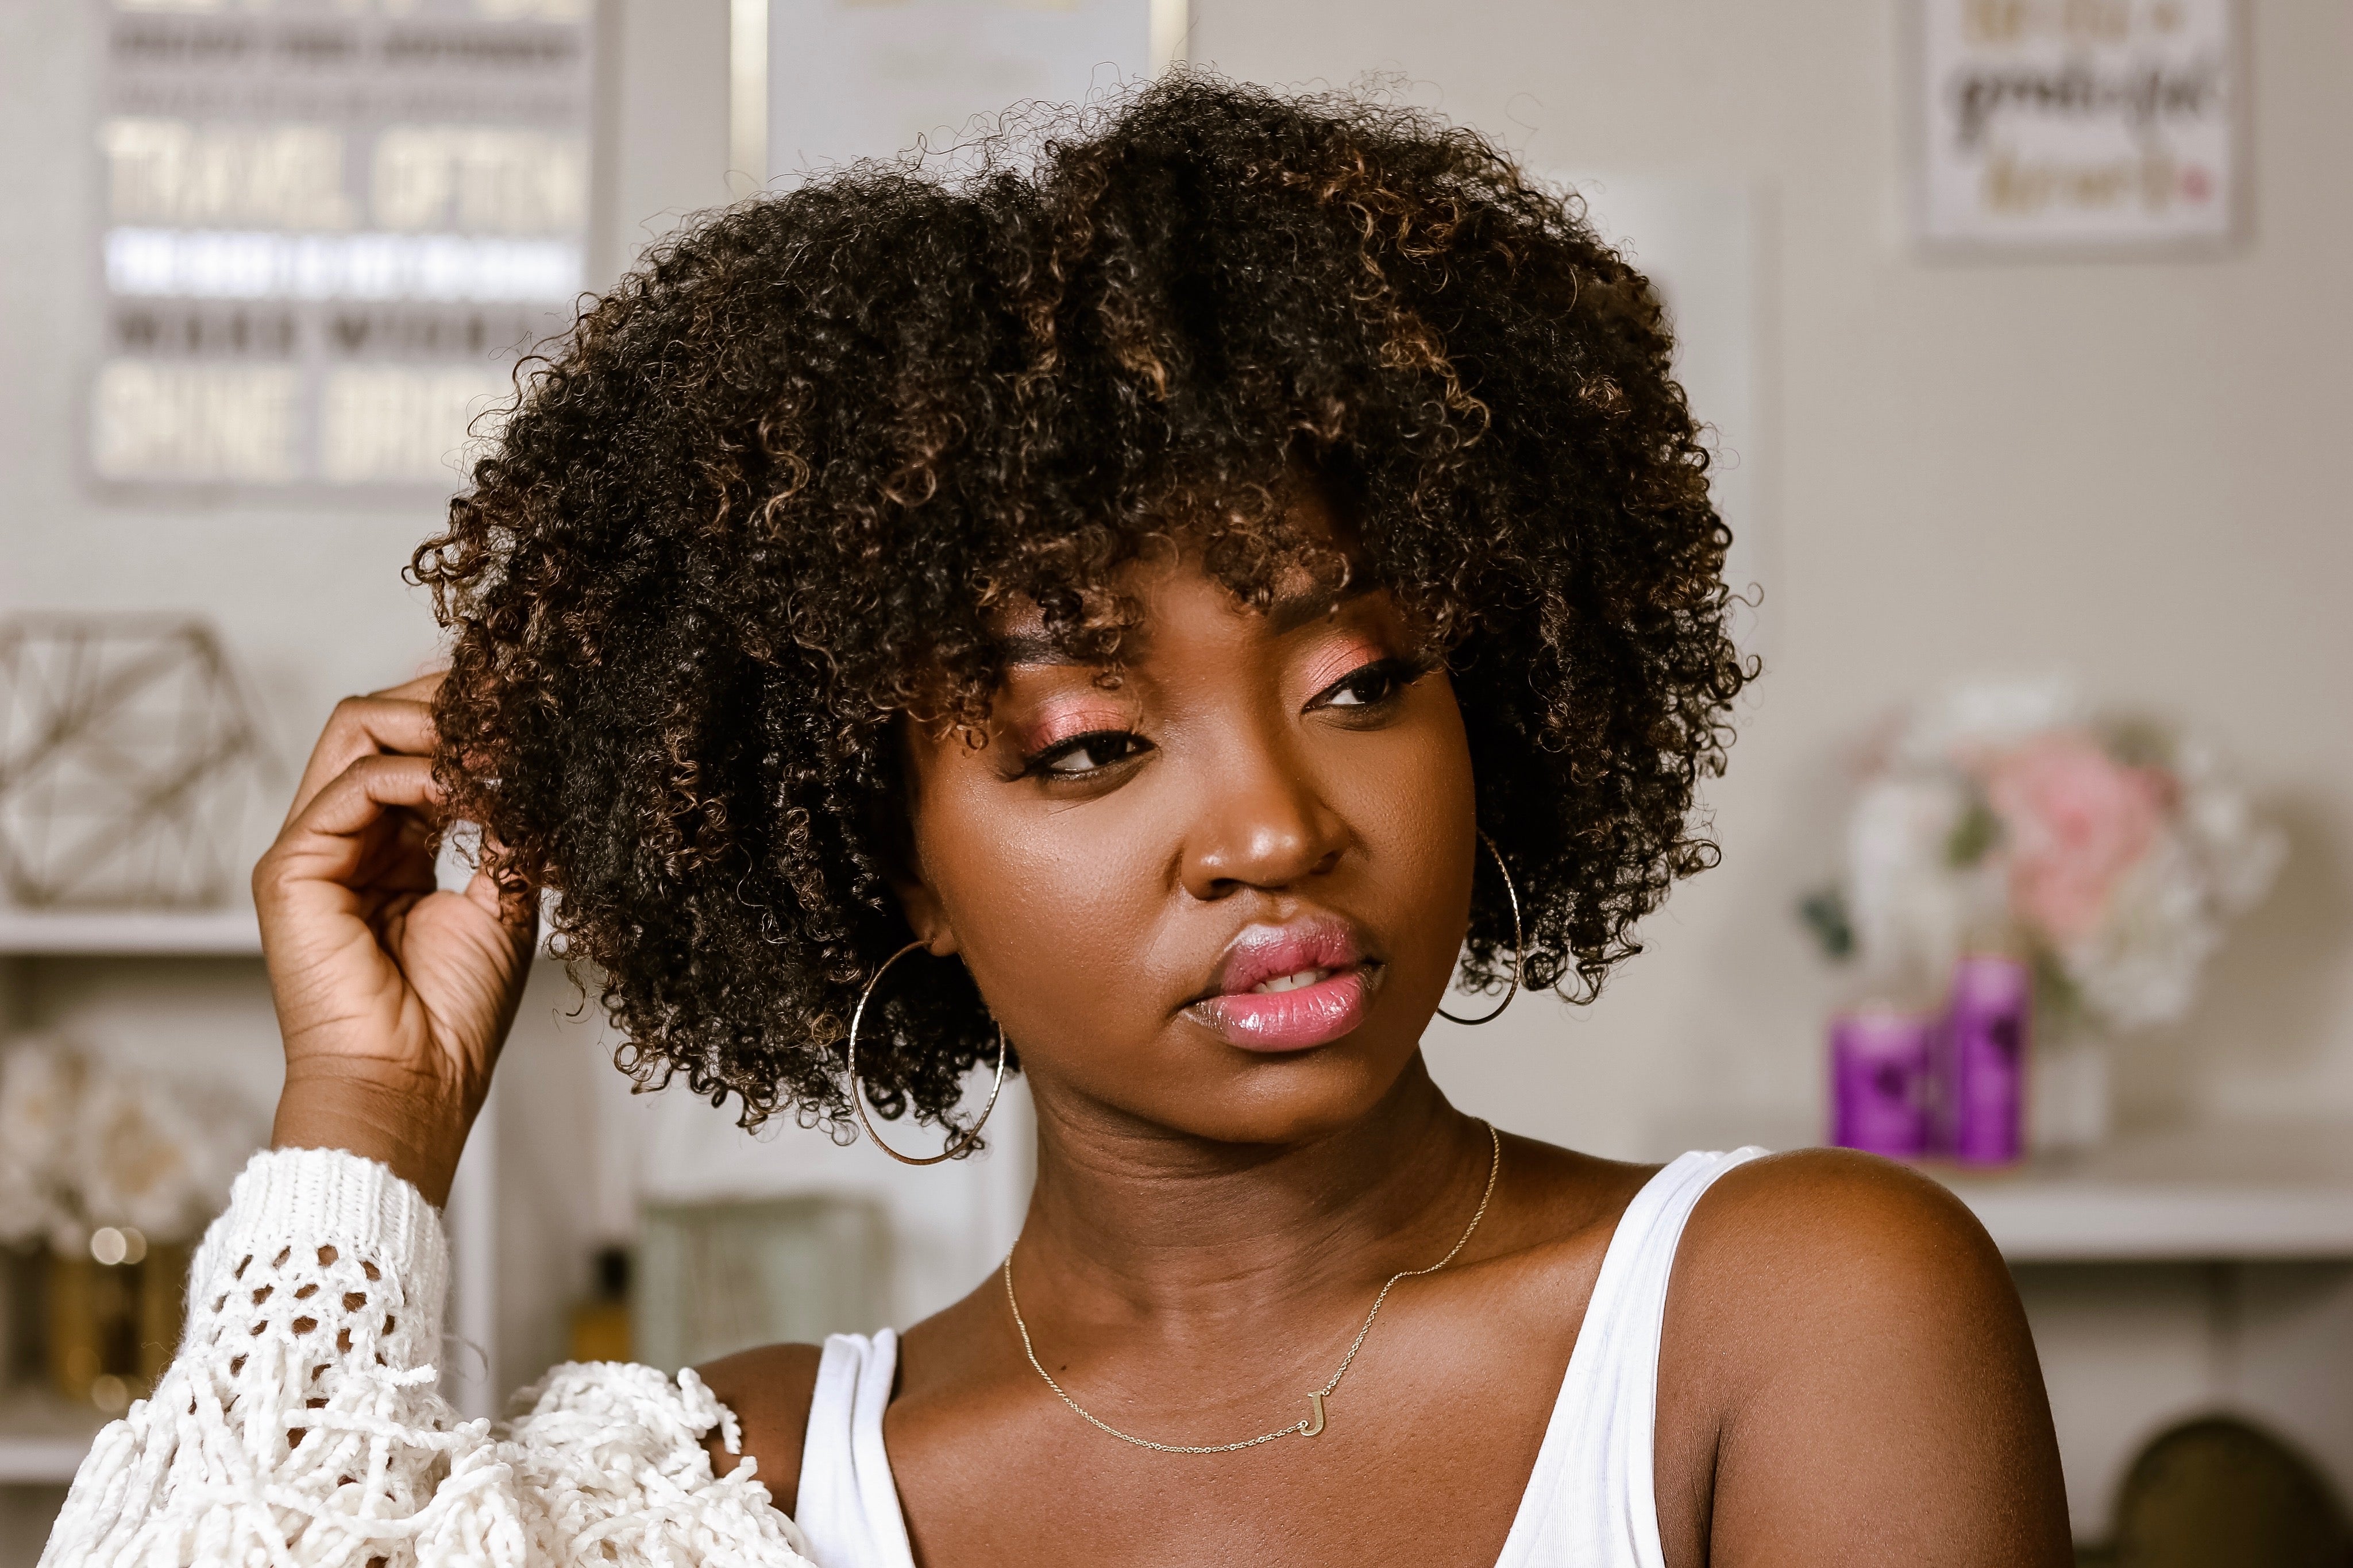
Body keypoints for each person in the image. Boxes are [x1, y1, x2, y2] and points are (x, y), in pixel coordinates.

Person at [45, 75, 2071, 1568]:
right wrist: (367, 1117)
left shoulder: (1788, 1312)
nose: (1274, 827)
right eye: (1094, 741)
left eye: (1361, 682)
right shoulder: (727, 1480)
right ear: (888, 857)